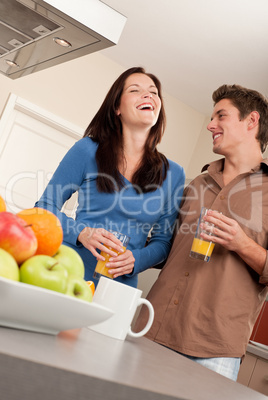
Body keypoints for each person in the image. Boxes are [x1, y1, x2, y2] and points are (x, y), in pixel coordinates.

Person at [134, 84, 268, 381]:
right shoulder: (196, 184)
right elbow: (164, 249)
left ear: (252, 121)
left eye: (221, 116)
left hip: (214, 347)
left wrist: (241, 243)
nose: (210, 125)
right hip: (152, 328)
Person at [35, 67, 185, 287]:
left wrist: (137, 260)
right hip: (69, 273)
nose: (148, 95)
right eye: (135, 90)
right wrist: (81, 232)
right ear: (117, 107)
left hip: (118, 287)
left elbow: (163, 242)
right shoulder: (87, 150)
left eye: (153, 92)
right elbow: (44, 207)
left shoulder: (173, 173)